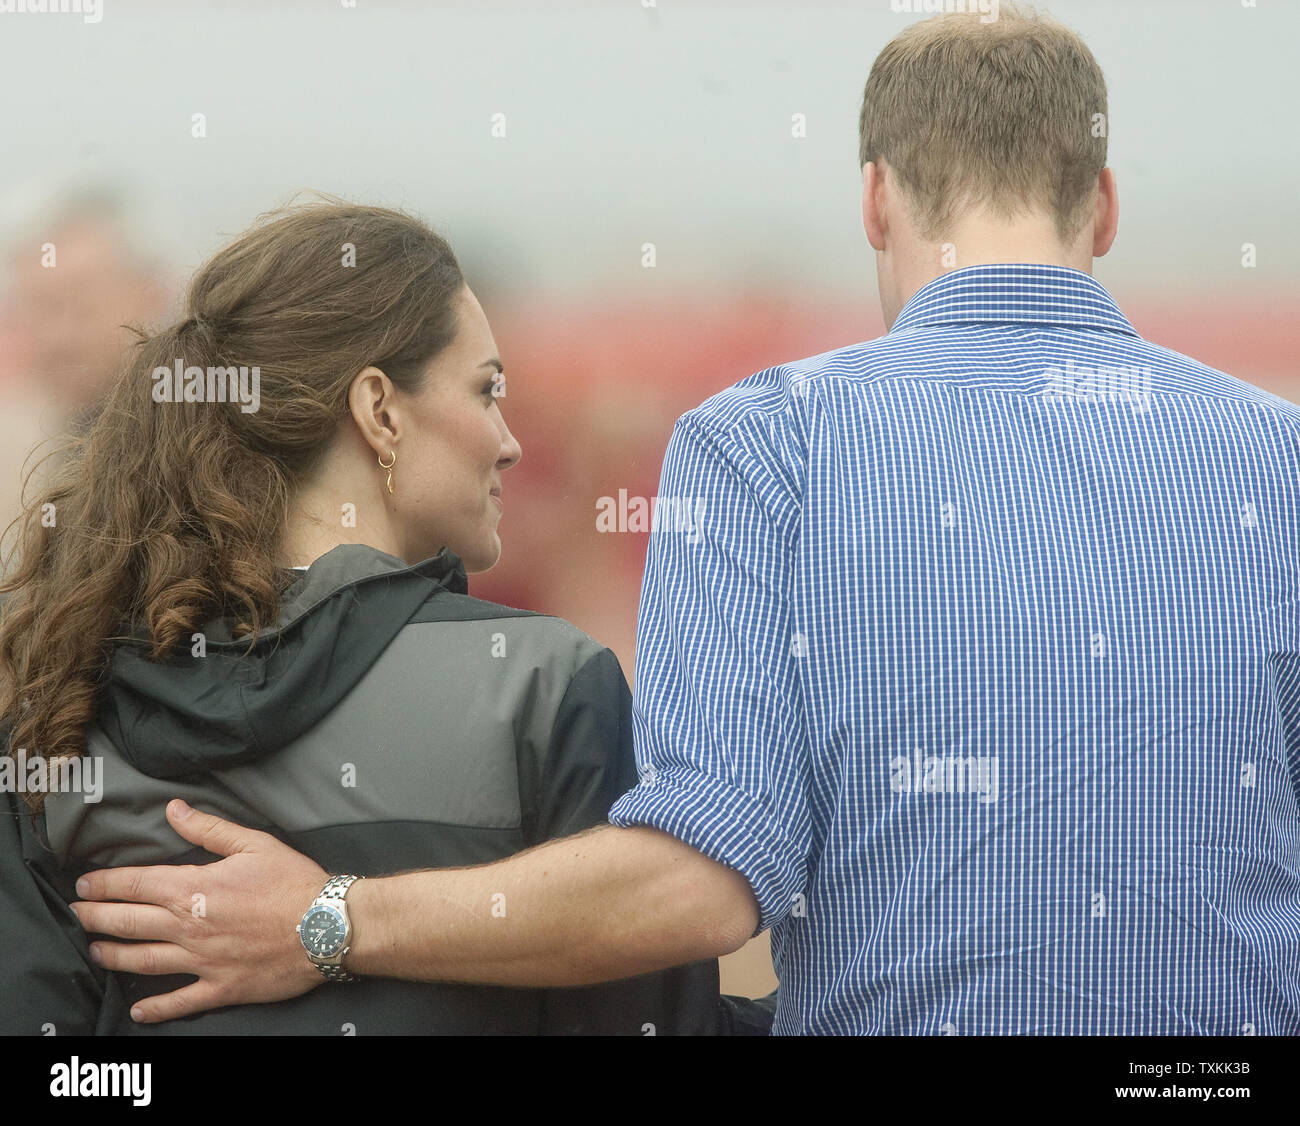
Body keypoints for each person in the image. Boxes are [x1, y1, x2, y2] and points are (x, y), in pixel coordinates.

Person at [70, 5, 1300, 1035]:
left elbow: (708, 884)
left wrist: (330, 918)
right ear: (1106, 203)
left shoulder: (768, 442)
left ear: (874, 201)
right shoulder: (1278, 457)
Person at [0, 195, 773, 1035]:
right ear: (378, 410)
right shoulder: (544, 687)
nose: (507, 439)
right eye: (485, 392)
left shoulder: (61, 689)